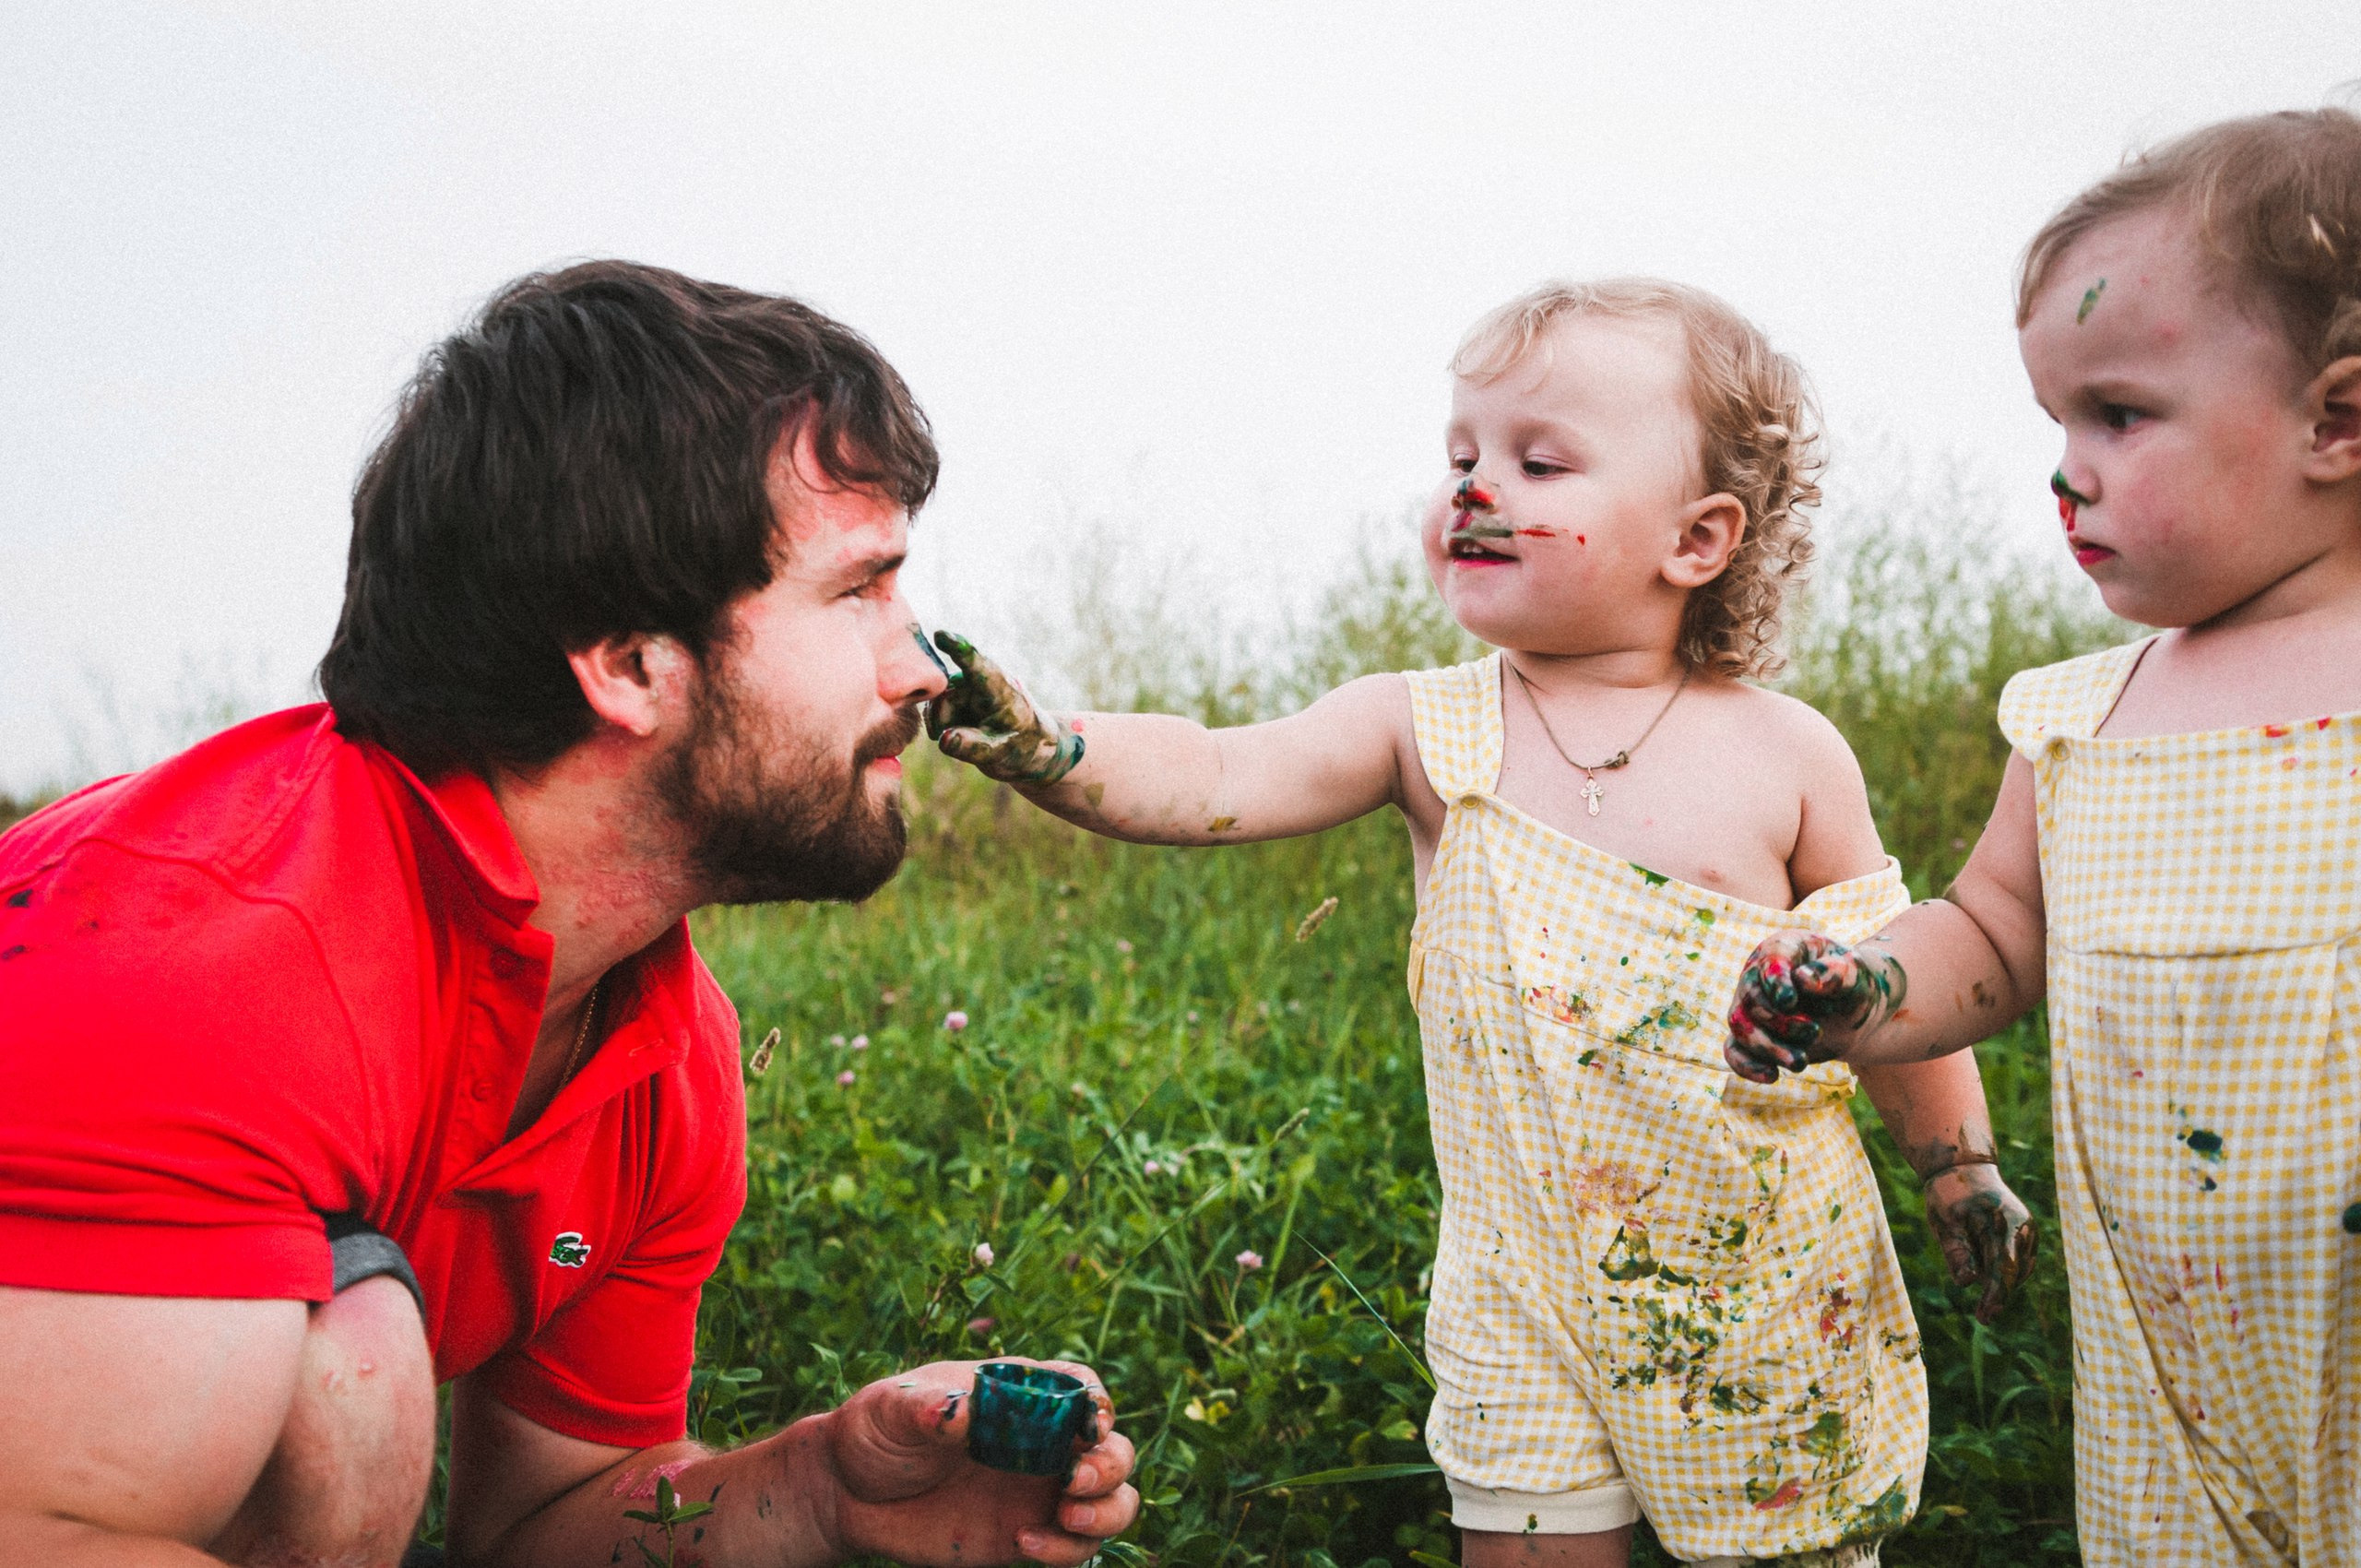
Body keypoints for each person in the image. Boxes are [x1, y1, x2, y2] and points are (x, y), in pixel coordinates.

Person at [0, 261, 1138, 1568]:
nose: (921, 665)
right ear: (627, 663)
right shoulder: (199, 965)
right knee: (350, 1364)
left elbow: (541, 1522)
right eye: (857, 591)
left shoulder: (657, 1040)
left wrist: (823, 1490)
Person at [921, 278, 2035, 1566]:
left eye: (1538, 461)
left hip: (1759, 1274)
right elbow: (1217, 773)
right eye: (1461, 455)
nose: (1474, 485)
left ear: (1699, 537)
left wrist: (1960, 1168)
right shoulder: (1424, 726)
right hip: (1521, 1285)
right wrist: (1054, 748)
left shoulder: (1787, 755)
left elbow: (1887, 980)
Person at [1723, 108, 2361, 1565]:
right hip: (2177, 1371)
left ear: (2340, 421)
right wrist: (1863, 987)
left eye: (2120, 415)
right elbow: (1998, 934)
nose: (2066, 472)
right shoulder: (2084, 719)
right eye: (2056, 423)